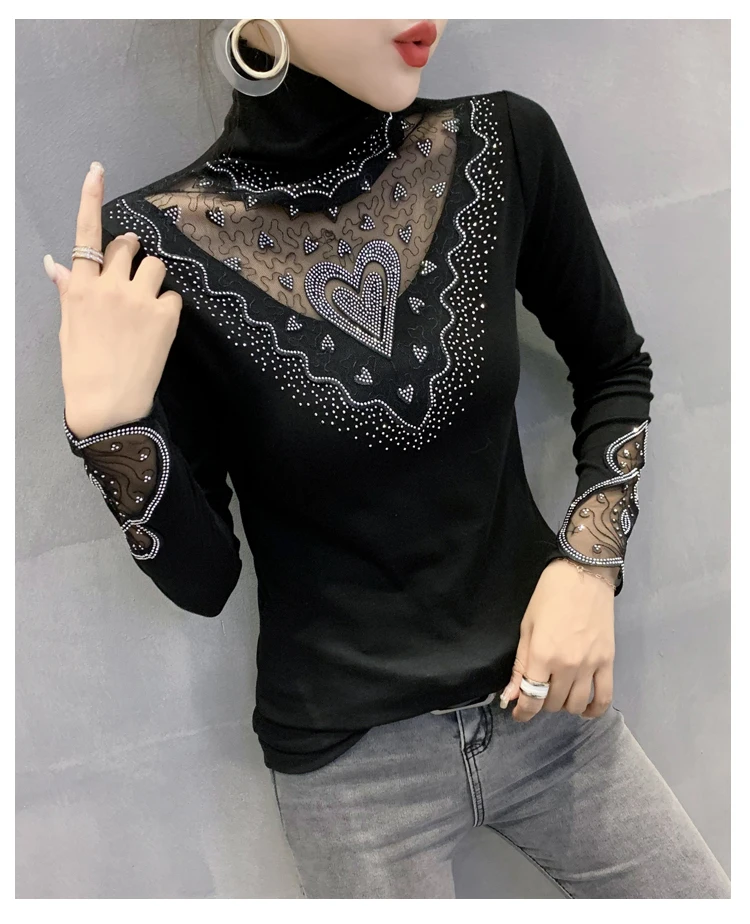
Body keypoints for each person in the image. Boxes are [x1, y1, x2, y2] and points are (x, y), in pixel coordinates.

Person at [46, 19, 730, 899]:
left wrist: (589, 566)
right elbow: (205, 579)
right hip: (354, 776)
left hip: (550, 711)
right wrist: (112, 430)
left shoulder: (502, 141)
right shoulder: (150, 249)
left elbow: (615, 367)